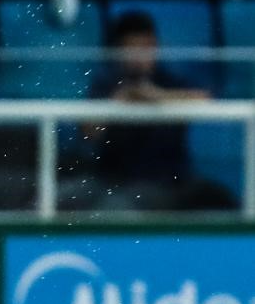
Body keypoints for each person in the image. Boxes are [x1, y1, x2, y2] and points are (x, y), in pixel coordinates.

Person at [85, 11, 233, 211]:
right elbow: (89, 132)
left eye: (146, 47)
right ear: (119, 50)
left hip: (168, 180)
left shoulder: (169, 81)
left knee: (223, 201)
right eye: (132, 48)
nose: (140, 56)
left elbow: (204, 99)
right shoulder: (107, 83)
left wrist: (155, 96)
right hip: (115, 180)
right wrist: (121, 100)